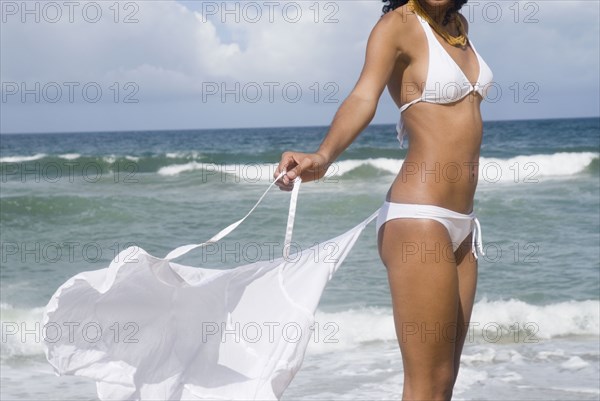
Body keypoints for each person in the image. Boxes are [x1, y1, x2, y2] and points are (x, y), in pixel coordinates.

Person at [274, 0, 492, 399]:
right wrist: (322, 156)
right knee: (424, 385)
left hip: (463, 226)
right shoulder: (397, 25)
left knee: (443, 383)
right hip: (419, 218)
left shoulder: (457, 25)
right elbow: (363, 96)